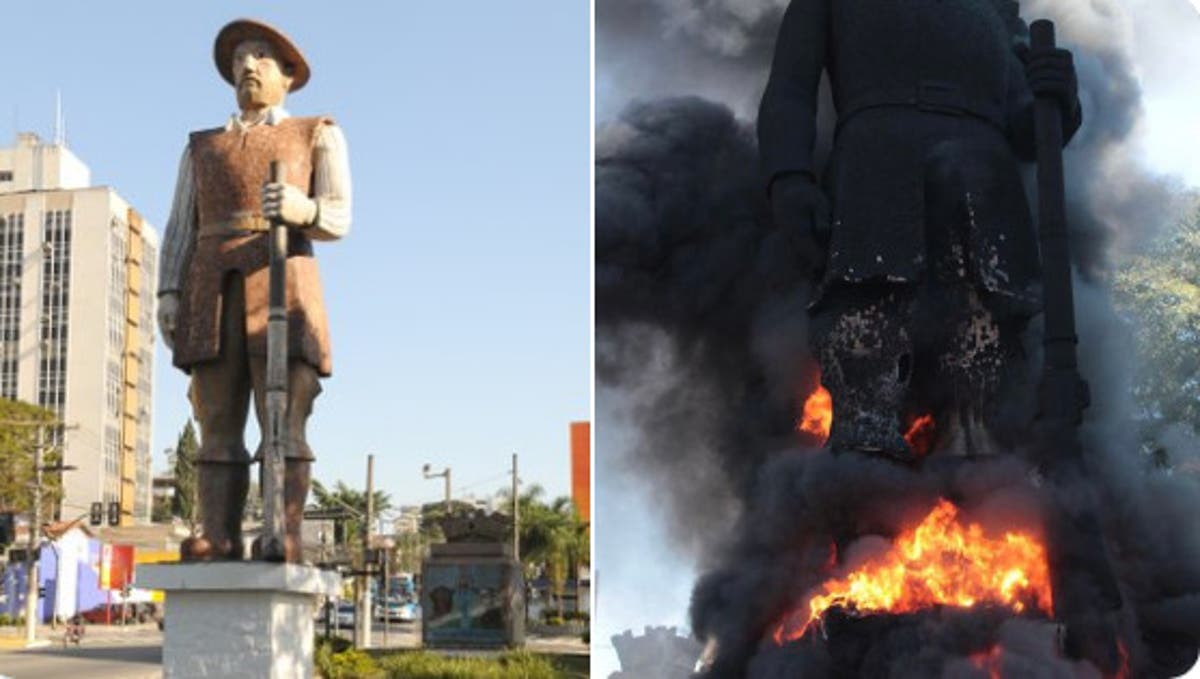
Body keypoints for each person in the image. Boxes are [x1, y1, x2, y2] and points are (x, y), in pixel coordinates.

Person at [760, 0, 1080, 459]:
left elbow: (1026, 128)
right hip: (875, 172)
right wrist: (788, 176)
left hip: (983, 182)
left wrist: (1057, 97)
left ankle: (979, 486)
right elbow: (790, 89)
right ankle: (863, 483)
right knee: (865, 335)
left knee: (981, 355)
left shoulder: (995, 14)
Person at [157, 19, 351, 562]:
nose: (248, 66)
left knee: (285, 417)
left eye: (262, 56)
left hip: (283, 282)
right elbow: (180, 228)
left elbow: (339, 217)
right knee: (215, 416)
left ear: (288, 75)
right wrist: (168, 291)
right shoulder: (203, 147)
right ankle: (218, 534)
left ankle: (282, 533)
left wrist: (302, 208)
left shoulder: (317, 132)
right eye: (241, 57)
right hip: (211, 284)